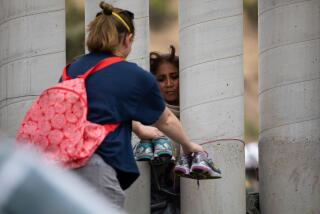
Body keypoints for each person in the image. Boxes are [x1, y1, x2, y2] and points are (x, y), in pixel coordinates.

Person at [65, 2, 203, 208]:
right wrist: (188, 145)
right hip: (97, 167)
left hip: (60, 168)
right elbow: (165, 120)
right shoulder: (131, 75)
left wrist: (138, 128)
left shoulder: (72, 69)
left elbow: (96, 112)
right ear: (127, 39)